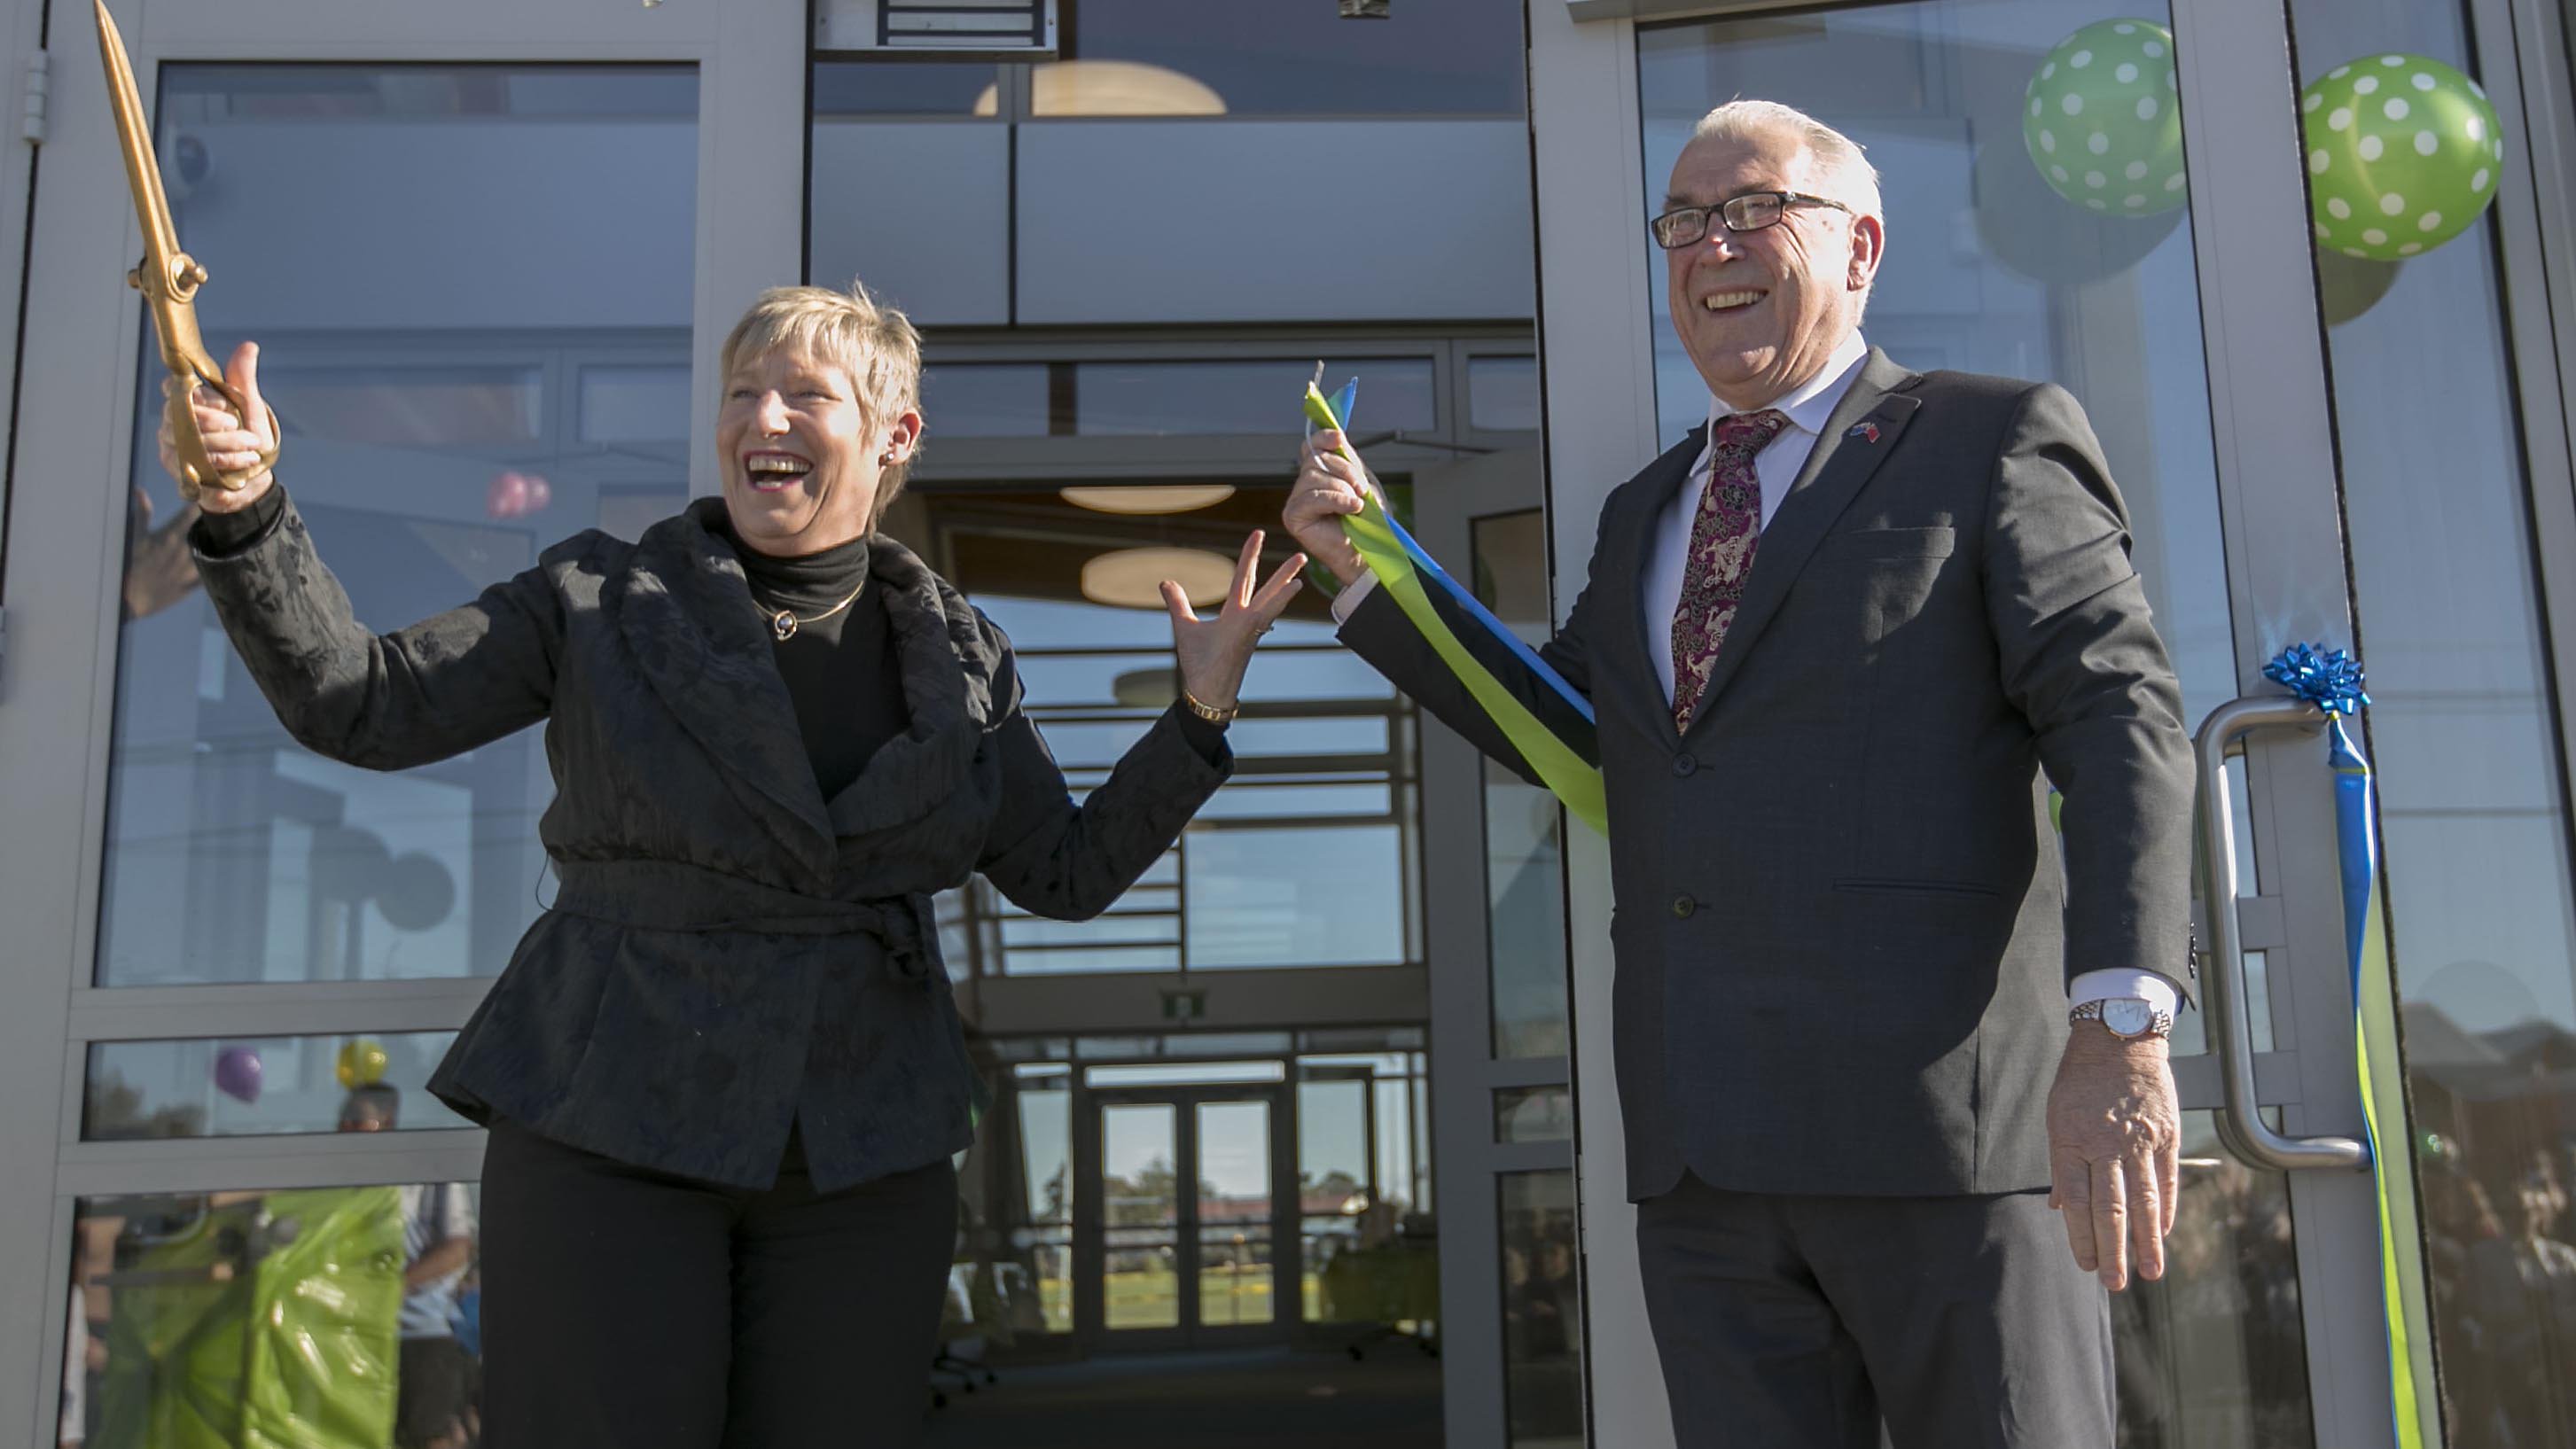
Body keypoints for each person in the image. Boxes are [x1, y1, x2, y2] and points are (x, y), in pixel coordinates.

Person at [170, 278, 1306, 1448]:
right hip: (609, 1114)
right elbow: (366, 704)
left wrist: (1199, 711)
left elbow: (1064, 872)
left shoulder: (967, 658)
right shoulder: (597, 600)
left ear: (893, 435)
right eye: (740, 394)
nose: (759, 421)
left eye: (801, 395)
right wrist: (251, 510)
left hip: (863, 1146)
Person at [1287, 99, 2195, 1444]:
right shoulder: (1644, 509)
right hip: (1706, 1169)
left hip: (1942, 1148)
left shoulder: (1988, 439)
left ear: (1860, 245)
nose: (1711, 243)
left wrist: (2118, 1026)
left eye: (1751, 207)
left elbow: (2120, 716)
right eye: (1682, 222)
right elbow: (1577, 735)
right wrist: (1371, 587)